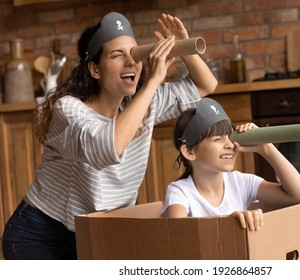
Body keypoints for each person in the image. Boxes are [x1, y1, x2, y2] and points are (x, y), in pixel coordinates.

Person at [2, 12, 217, 260]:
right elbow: (110, 147)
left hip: (95, 231)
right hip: (40, 234)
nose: (131, 62)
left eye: (135, 54)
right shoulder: (68, 109)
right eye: (117, 55)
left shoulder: (141, 105)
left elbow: (206, 85)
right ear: (94, 69)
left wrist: (184, 46)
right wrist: (153, 81)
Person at [161, 98, 300, 231]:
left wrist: (266, 148)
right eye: (218, 139)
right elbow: (177, 230)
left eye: (231, 137)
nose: (230, 145)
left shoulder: (241, 182)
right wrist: (227, 221)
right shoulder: (180, 191)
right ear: (189, 152)